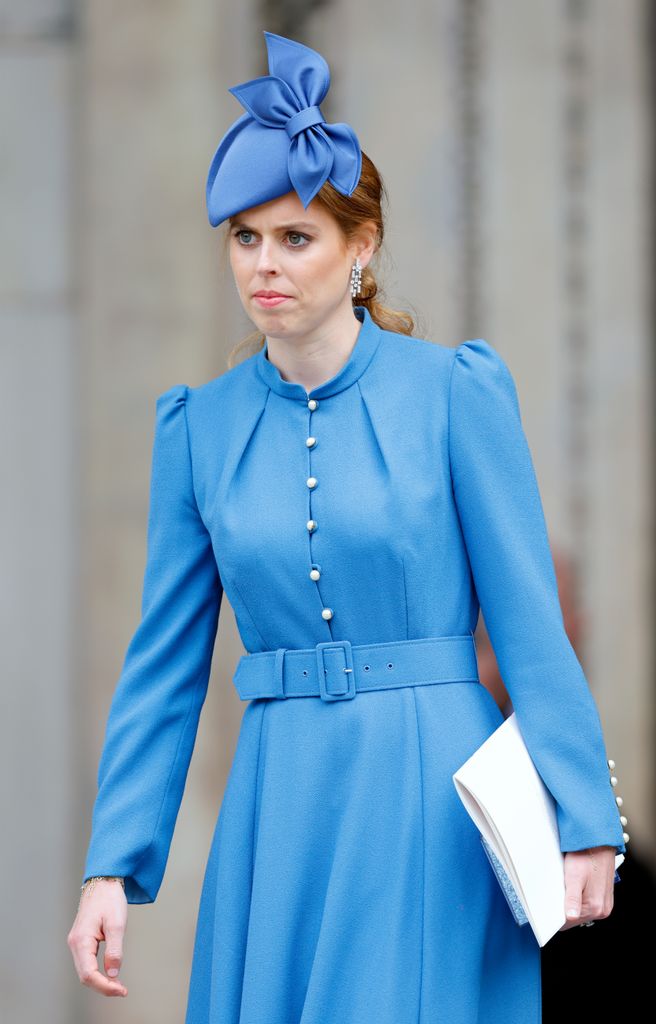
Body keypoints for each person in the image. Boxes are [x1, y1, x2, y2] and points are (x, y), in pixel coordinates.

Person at [67, 30, 627, 1023]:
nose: (263, 266)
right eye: (244, 238)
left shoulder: (456, 394)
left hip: (430, 798)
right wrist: (112, 865)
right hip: (277, 801)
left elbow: (528, 623)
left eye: (295, 238)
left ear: (359, 245)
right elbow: (163, 665)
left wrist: (584, 818)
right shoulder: (198, 428)